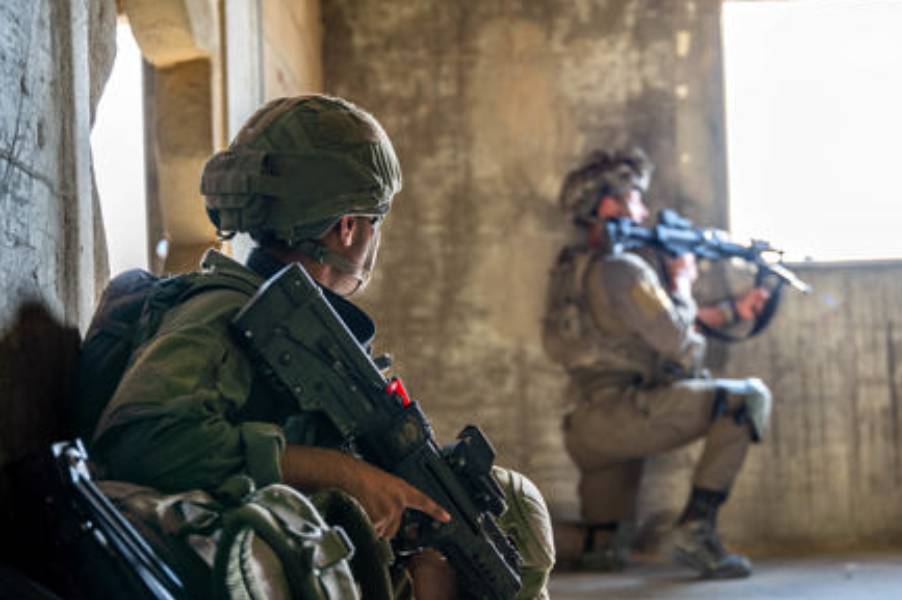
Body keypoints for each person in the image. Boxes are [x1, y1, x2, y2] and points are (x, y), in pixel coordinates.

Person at [80, 95, 554, 599]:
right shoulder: (224, 314)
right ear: (347, 228)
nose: (375, 236)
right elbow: (142, 441)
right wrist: (344, 474)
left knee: (511, 509)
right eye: (375, 218)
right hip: (216, 555)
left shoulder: (298, 325)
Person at [543, 148, 773, 579]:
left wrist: (731, 312)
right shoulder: (625, 269)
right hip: (626, 414)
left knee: (603, 548)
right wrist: (683, 281)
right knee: (746, 401)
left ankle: (503, 531)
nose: (643, 209)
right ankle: (696, 532)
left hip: (589, 426)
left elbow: (647, 326)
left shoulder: (574, 268)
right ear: (608, 205)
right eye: (634, 199)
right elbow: (682, 346)